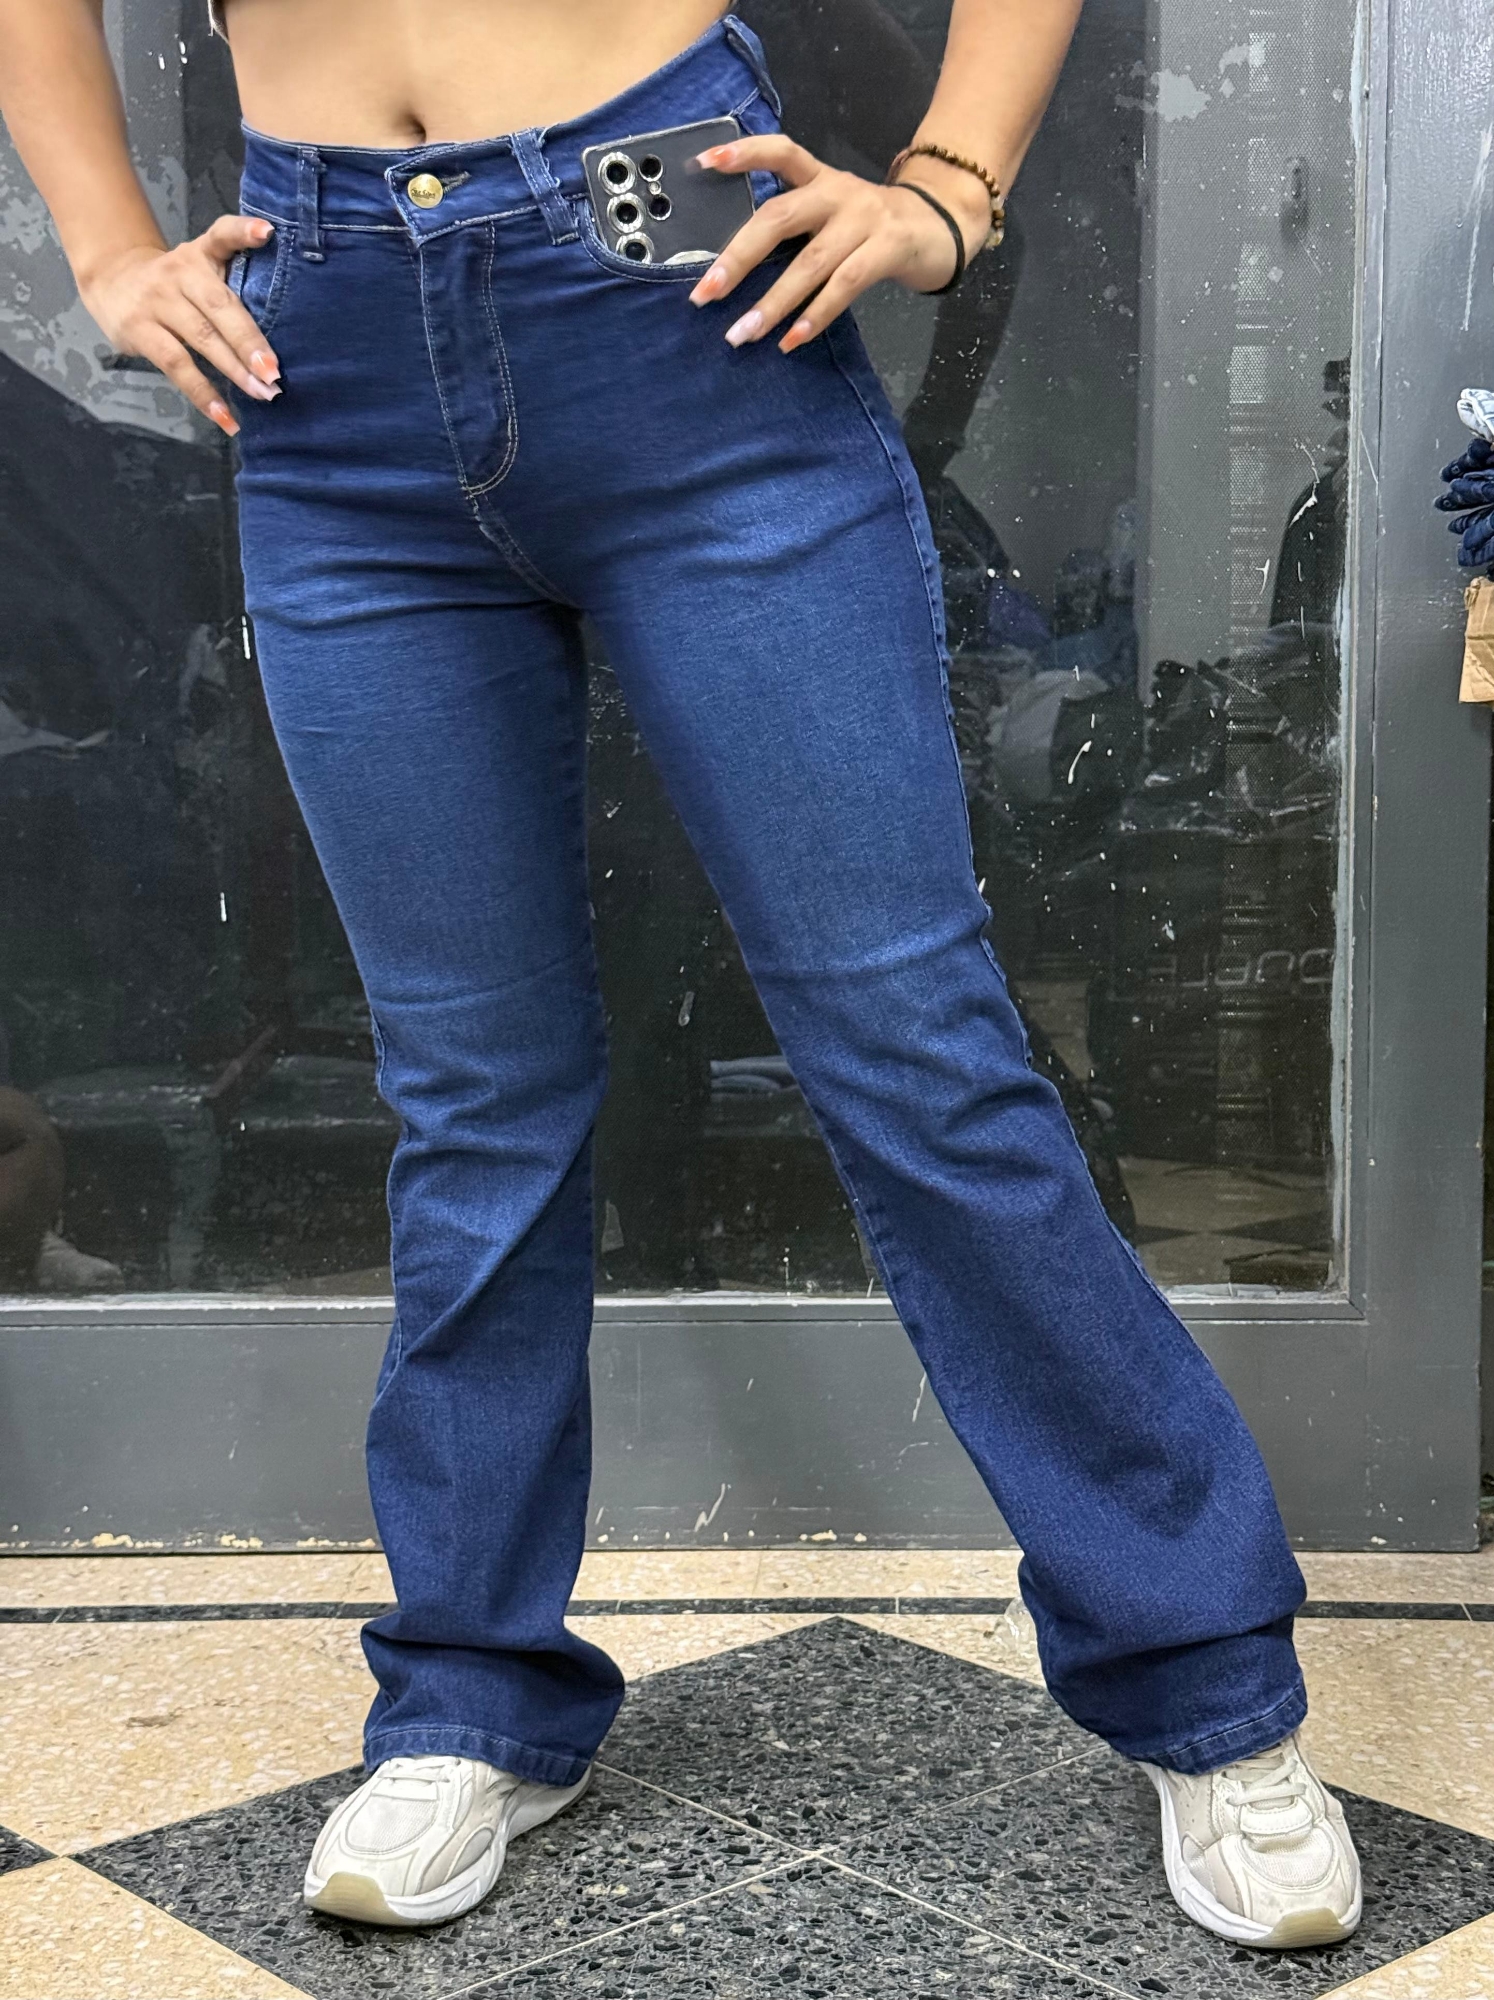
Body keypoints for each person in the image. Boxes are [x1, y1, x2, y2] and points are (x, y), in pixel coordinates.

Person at [0, 0, 1361, 1949]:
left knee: (915, 1046)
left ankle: (1209, 1688)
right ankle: (470, 1698)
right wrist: (109, 253)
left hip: (671, 261)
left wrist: (949, 189)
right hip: (331, 339)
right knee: (472, 1091)